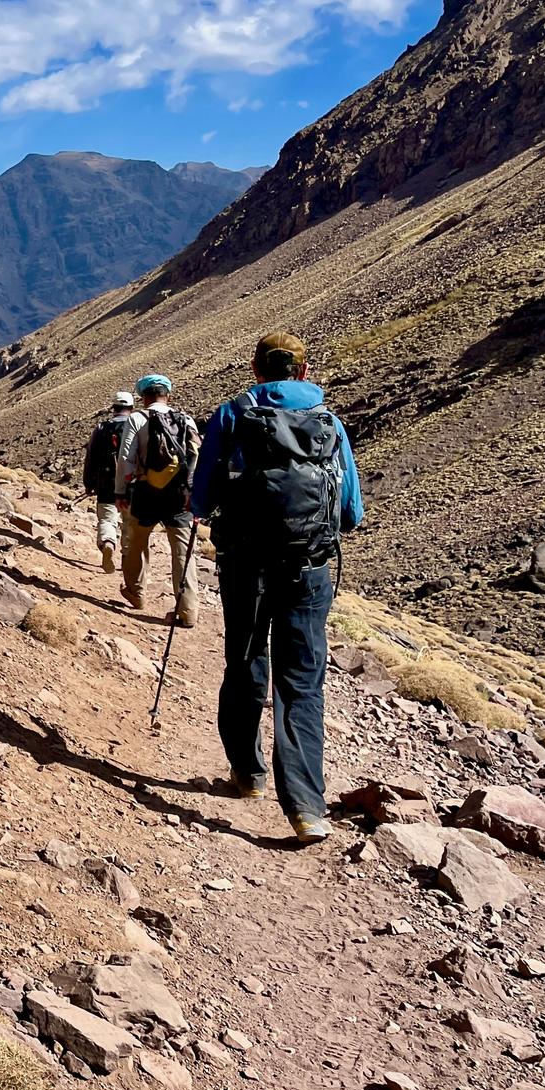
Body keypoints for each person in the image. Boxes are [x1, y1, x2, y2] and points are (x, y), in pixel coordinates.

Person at [190, 332, 364, 845]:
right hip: (310, 569)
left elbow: (202, 498)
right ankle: (308, 808)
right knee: (303, 683)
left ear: (257, 369)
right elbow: (350, 511)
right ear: (304, 371)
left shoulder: (231, 415)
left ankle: (248, 774)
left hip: (245, 565)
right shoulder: (329, 424)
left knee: (245, 661)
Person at [115, 374, 201, 626]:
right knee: (184, 551)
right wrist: (194, 492)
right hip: (179, 496)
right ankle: (188, 611)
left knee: (137, 541)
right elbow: (197, 455)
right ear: (168, 395)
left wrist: (121, 491)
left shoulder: (137, 419)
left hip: (146, 492)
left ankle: (135, 592)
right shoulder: (185, 419)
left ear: (143, 397)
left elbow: (125, 459)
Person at [83, 391, 138, 572]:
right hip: (133, 483)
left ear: (114, 408)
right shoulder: (139, 427)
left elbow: (90, 457)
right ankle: (128, 559)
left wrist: (89, 483)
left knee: (107, 519)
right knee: (130, 522)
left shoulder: (102, 428)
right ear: (131, 407)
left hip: (106, 482)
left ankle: (108, 542)